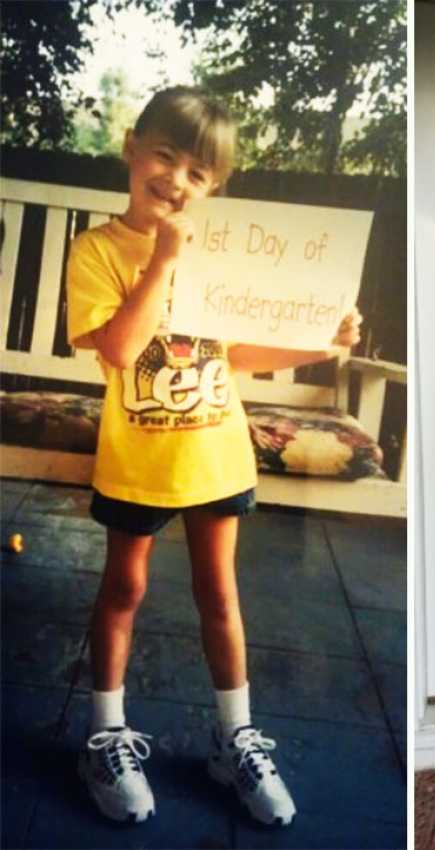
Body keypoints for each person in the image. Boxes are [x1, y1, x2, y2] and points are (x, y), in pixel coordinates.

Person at [66, 86, 362, 826]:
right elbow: (120, 349)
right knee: (124, 589)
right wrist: (163, 261)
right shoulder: (97, 250)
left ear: (215, 187)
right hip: (138, 463)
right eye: (164, 157)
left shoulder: (220, 251)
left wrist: (322, 340)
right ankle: (106, 735)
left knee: (220, 596)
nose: (176, 181)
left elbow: (240, 351)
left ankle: (236, 739)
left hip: (216, 457)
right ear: (131, 148)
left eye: (197, 173)